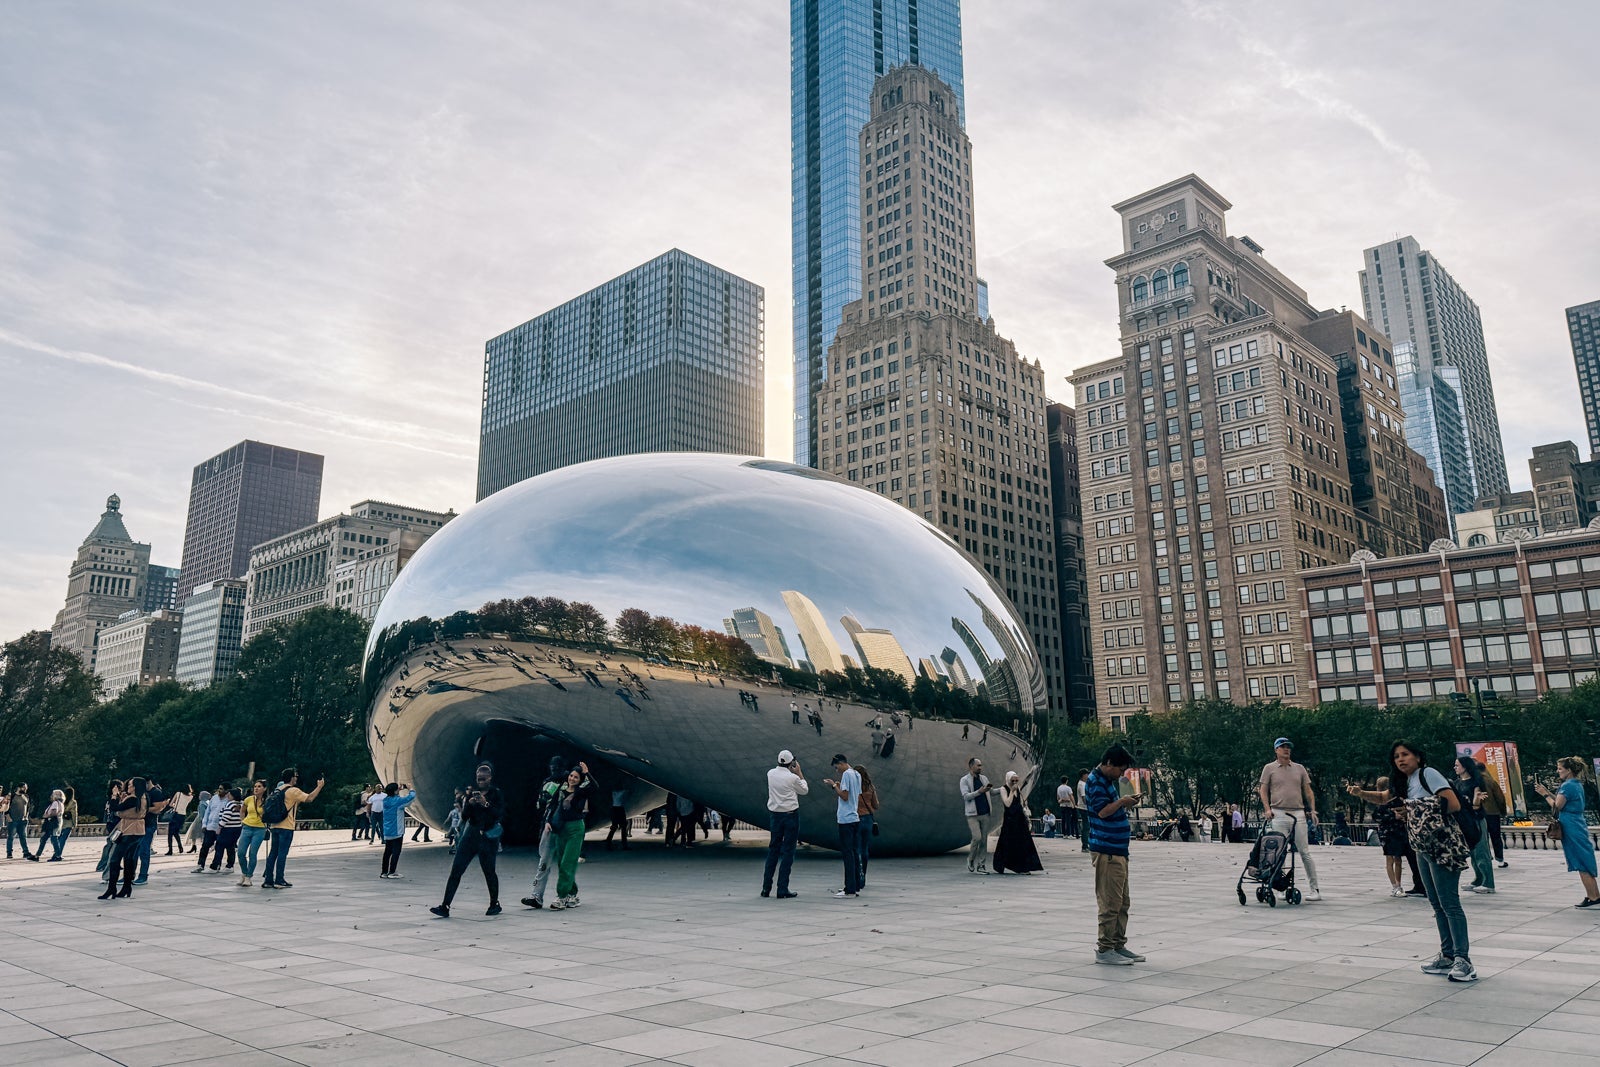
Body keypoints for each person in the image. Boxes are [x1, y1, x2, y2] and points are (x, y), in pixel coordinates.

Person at [1086, 745, 1143, 965]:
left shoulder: (1107, 782)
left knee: (1122, 902)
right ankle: (1105, 948)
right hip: (1107, 851)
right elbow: (1102, 811)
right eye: (1120, 770)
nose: (1122, 774)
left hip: (1118, 850)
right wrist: (1122, 802)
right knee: (1110, 902)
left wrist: (1125, 803)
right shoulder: (1096, 782)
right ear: (1109, 763)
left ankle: (1118, 944)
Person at [432, 761, 503, 917]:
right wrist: (468, 804)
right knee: (457, 869)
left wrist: (485, 804)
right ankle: (445, 905)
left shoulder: (495, 793)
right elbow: (464, 817)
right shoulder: (472, 794)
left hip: (487, 835)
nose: (481, 781)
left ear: (490, 778)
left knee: (489, 870)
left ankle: (494, 903)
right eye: (479, 779)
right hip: (471, 834)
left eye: (484, 779)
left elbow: (498, 814)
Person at [1256, 738, 1321, 900]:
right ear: (1276, 750)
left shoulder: (1299, 768)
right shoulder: (1269, 768)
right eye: (1283, 747)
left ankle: (1315, 889)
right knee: (1279, 852)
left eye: (1288, 747)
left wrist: (1312, 810)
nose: (1286, 750)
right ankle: (1280, 887)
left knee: (1304, 852)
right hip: (1278, 812)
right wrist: (1267, 809)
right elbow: (1263, 790)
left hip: (1297, 813)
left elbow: (1308, 790)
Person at [1534, 757, 1600, 908]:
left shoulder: (1567, 786)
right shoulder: (1575, 784)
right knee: (1583, 858)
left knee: (1580, 860)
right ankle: (1594, 895)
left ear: (1568, 770)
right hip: (1576, 823)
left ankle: (1593, 896)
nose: (1558, 771)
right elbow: (1561, 801)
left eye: (1560, 768)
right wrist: (1549, 792)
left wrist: (1545, 794)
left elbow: (1557, 807)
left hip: (1570, 825)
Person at [261, 768, 325, 889]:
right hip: (286, 826)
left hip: (275, 825)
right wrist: (319, 787)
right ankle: (279, 879)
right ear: (291, 778)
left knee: (273, 853)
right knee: (282, 854)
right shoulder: (293, 791)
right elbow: (310, 798)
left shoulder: (277, 790)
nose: (296, 778)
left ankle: (268, 880)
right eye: (295, 776)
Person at [548, 763, 596, 910]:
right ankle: (573, 894)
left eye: (576, 777)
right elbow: (553, 806)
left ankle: (561, 896)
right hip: (561, 828)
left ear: (580, 780)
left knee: (568, 862)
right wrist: (548, 822)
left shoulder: (581, 792)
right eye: (571, 776)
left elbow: (594, 787)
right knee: (562, 863)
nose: (572, 779)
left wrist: (587, 773)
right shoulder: (561, 790)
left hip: (575, 829)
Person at [522, 758, 568, 910]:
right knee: (544, 862)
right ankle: (537, 895)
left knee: (564, 863)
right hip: (550, 825)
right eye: (553, 767)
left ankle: (567, 894)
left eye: (556, 767)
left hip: (562, 825)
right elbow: (542, 803)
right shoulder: (551, 782)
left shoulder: (568, 782)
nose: (554, 769)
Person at [761, 750, 807, 899]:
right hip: (790, 816)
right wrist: (799, 772)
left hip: (775, 816)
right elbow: (804, 790)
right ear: (791, 762)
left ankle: (766, 888)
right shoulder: (792, 778)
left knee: (773, 850)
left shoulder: (770, 774)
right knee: (788, 852)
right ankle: (782, 888)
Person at [1454, 756, 1496, 895]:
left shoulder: (1476, 782)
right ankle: (1478, 879)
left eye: (1457, 765)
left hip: (1476, 819)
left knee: (1481, 851)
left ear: (1465, 767)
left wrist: (1476, 802)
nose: (1455, 768)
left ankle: (1488, 882)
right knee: (1472, 852)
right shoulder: (1457, 783)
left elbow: (1478, 805)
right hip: (1464, 821)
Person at [822, 754, 863, 898]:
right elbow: (854, 795)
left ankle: (849, 889)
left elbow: (845, 796)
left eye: (836, 767)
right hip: (855, 817)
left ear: (840, 763)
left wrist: (834, 786)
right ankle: (856, 885)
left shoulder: (846, 774)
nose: (836, 770)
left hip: (845, 819)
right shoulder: (857, 774)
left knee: (847, 854)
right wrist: (840, 787)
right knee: (854, 852)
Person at [101, 778, 148, 900]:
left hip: (129, 830)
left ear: (136, 787)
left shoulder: (133, 798)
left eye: (131, 785)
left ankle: (112, 888)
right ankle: (127, 887)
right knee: (129, 860)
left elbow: (115, 808)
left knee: (115, 860)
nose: (128, 787)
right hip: (139, 830)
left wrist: (114, 795)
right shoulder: (144, 797)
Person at [993, 770, 1043, 874]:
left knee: (1023, 841)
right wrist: (1011, 791)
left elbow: (1020, 802)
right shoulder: (1004, 789)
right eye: (1013, 780)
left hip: (1019, 818)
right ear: (1008, 779)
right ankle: (1001, 864)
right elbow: (1007, 803)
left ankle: (1024, 865)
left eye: (1016, 780)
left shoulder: (1018, 788)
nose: (1015, 782)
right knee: (1007, 841)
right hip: (1010, 819)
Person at [960, 758, 997, 874]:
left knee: (984, 840)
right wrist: (979, 792)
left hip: (985, 813)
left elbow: (991, 792)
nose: (980, 768)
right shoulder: (964, 780)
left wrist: (1004, 788)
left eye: (981, 765)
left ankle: (981, 865)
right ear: (971, 766)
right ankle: (970, 859)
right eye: (978, 765)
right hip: (972, 815)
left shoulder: (984, 778)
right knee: (977, 837)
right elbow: (966, 796)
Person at [379, 782, 418, 878]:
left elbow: (393, 795)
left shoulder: (385, 800)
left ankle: (384, 872)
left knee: (387, 852)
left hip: (387, 830)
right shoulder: (398, 801)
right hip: (397, 830)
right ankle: (392, 872)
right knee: (396, 851)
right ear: (395, 791)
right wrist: (410, 789)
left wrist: (397, 790)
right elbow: (410, 798)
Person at [135, 780, 170, 884]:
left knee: (144, 851)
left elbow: (158, 809)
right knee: (134, 851)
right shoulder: (141, 791)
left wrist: (143, 809)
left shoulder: (156, 792)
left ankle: (143, 875)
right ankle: (130, 875)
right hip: (138, 824)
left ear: (148, 782)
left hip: (149, 824)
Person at [236, 780, 268, 887]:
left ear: (264, 788)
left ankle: (249, 876)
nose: (256, 788)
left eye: (259, 786)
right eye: (255, 786)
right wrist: (242, 821)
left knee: (252, 853)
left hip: (259, 829)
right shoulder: (248, 799)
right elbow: (242, 810)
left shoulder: (267, 801)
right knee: (240, 852)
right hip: (247, 827)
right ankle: (244, 873)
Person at [855, 764, 879, 889]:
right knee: (864, 849)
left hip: (856, 819)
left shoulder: (854, 787)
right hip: (868, 820)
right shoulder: (870, 788)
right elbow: (876, 805)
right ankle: (863, 875)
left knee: (856, 849)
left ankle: (857, 877)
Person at [194, 784, 226, 873]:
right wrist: (204, 824)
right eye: (219, 789)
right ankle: (200, 864)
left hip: (221, 827)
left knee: (219, 847)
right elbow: (207, 812)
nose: (219, 791)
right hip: (210, 826)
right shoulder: (214, 798)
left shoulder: (229, 800)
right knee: (205, 846)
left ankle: (215, 865)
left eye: (222, 789)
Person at [211, 788, 241, 873]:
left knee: (219, 846)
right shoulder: (241, 804)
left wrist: (219, 827)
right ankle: (230, 866)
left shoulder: (230, 804)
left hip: (228, 828)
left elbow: (226, 817)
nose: (227, 796)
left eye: (229, 794)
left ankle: (215, 865)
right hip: (237, 828)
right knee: (230, 847)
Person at [45, 786, 76, 861]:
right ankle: (58, 855)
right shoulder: (73, 802)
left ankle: (55, 854)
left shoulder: (61, 801)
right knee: (62, 840)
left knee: (58, 839)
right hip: (68, 823)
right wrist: (75, 824)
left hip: (60, 823)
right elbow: (74, 814)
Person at [7, 784, 36, 861]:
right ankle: (9, 852)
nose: (25, 789)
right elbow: (6, 807)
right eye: (24, 788)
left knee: (23, 837)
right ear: (19, 787)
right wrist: (8, 817)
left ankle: (25, 852)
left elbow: (28, 807)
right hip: (13, 820)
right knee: (11, 837)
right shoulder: (12, 796)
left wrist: (26, 816)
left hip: (23, 821)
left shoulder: (26, 796)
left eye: (26, 788)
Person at [165, 785, 192, 854]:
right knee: (176, 832)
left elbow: (171, 804)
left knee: (170, 833)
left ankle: (170, 850)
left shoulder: (178, 794)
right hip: (183, 815)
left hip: (176, 814)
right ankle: (180, 847)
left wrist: (174, 805)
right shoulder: (190, 797)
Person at [604, 786, 630, 851]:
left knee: (614, 827)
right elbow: (628, 791)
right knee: (623, 827)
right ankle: (624, 845)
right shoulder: (622, 791)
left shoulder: (613, 792)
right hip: (620, 809)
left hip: (614, 809)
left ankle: (608, 843)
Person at [1077, 770, 1091, 853]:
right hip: (1084, 807)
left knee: (1086, 826)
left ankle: (1086, 844)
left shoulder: (1082, 784)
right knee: (1086, 827)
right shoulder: (1082, 785)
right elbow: (1084, 798)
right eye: (1087, 774)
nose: (1088, 776)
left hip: (1083, 807)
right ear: (1083, 775)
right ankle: (1085, 845)